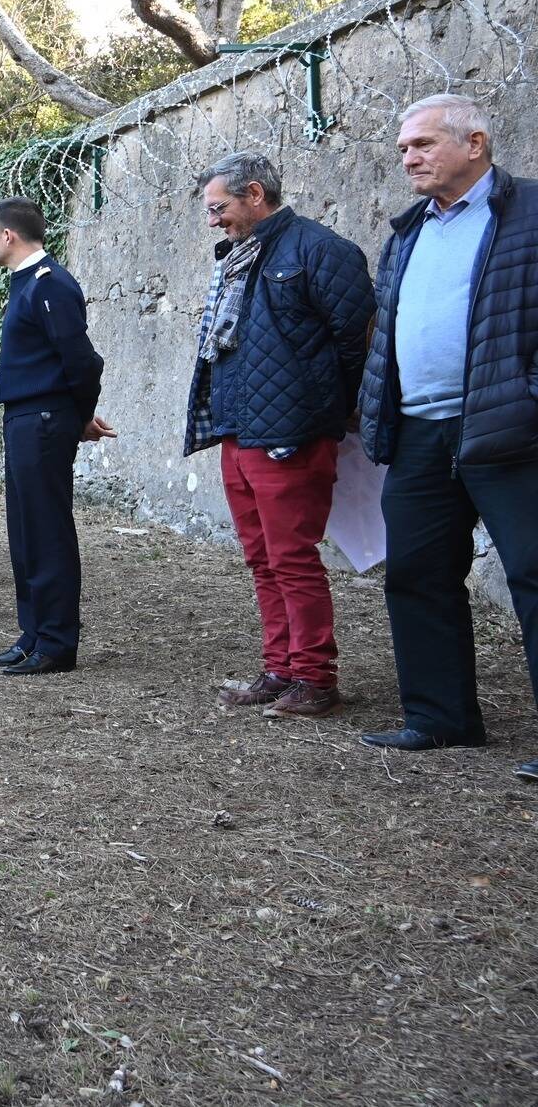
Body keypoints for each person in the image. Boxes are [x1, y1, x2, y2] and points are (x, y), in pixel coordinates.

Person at [356, 95, 538, 772]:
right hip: (420, 434)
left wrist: (527, 399)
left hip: (509, 430)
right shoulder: (408, 231)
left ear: (476, 144)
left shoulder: (529, 214)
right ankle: (441, 718)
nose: (409, 157)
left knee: (534, 573)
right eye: (404, 148)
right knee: (416, 574)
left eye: (423, 144)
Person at [184, 151, 373, 719]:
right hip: (239, 430)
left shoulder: (320, 250)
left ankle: (315, 678)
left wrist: (321, 409)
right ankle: (280, 668)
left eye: (219, 208)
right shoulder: (239, 258)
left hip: (291, 432)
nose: (212, 220)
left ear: (255, 195)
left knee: (292, 558)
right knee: (262, 558)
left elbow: (356, 341)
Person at [0, 200, 116, 677]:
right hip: (25, 417)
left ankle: (57, 641)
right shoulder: (26, 283)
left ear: (10, 235)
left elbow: (82, 361)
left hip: (43, 419)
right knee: (25, 530)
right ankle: (33, 633)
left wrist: (80, 416)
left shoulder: (50, 284)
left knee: (46, 529)